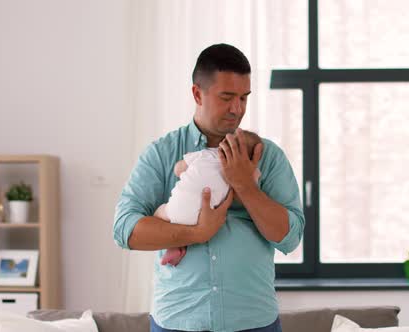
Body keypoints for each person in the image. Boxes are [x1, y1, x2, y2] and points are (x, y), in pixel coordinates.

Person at [113, 43, 305, 332]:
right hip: (178, 321)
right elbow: (125, 229)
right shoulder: (162, 154)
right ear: (197, 94)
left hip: (253, 321)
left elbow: (289, 238)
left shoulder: (267, 155)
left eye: (244, 98)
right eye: (227, 97)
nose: (237, 109)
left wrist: (245, 184)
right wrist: (197, 233)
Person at [155, 130, 263, 267]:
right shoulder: (246, 174)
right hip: (204, 218)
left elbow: (178, 169)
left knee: (160, 211)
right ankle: (178, 247)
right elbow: (246, 192)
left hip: (175, 210)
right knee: (194, 218)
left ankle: (174, 247)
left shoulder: (205, 154)